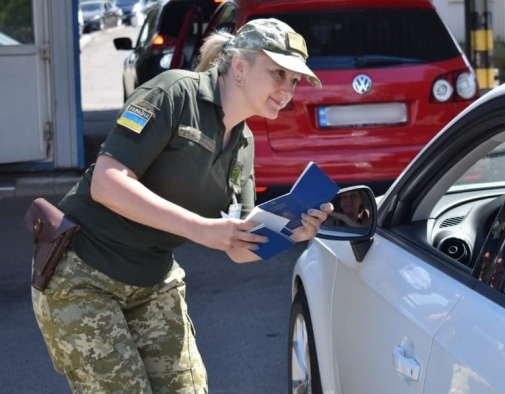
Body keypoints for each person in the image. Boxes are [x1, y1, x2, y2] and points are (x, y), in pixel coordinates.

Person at [31, 19, 332, 393]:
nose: (287, 89)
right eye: (278, 74)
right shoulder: (173, 93)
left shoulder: (244, 143)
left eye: (294, 80)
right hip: (84, 276)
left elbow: (239, 248)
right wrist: (202, 229)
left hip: (152, 281)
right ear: (239, 66)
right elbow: (106, 183)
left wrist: (291, 233)